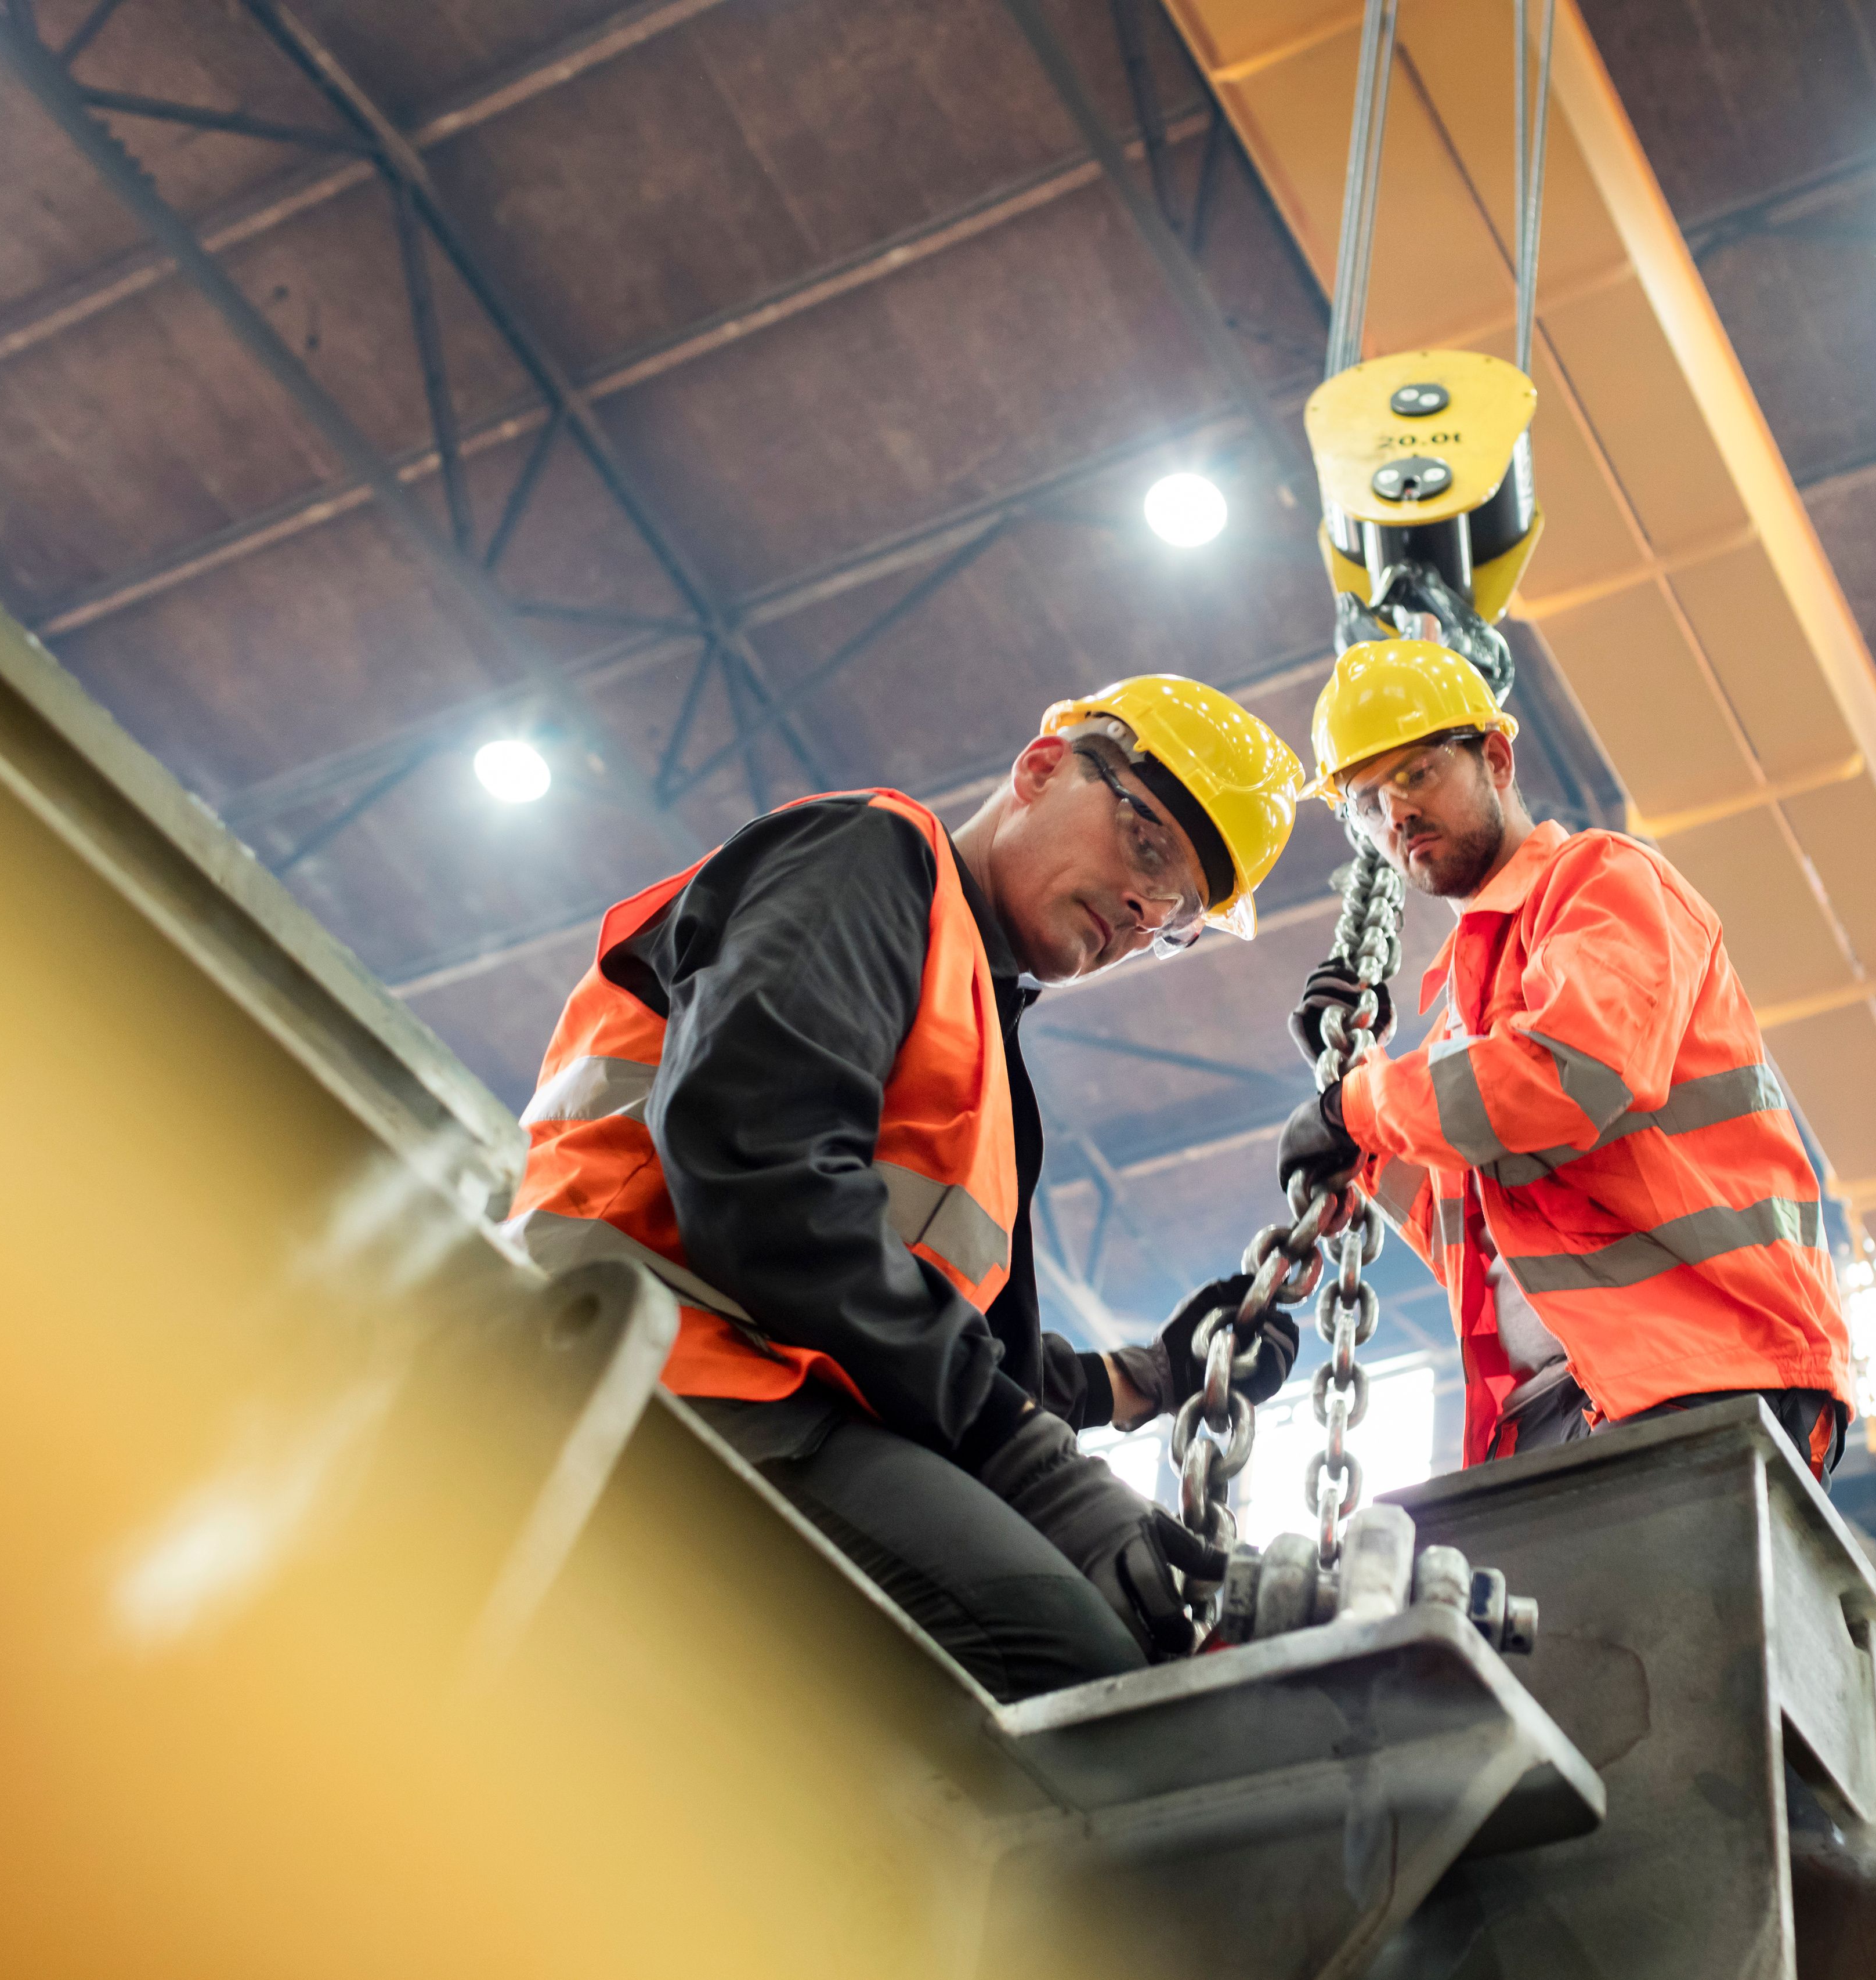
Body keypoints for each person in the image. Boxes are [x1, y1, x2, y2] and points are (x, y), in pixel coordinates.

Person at [502, 676, 1306, 1700]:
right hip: (657, 1360)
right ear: (1041, 768)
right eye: (1149, 846)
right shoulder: (869, 859)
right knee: (1064, 1661)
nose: (1149, 910)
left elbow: (962, 1361)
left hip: (785, 1387)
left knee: (1109, 1661)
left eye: (1181, 914)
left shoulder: (983, 1052)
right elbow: (758, 1162)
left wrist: (1142, 1378)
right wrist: (1035, 1468)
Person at [1271, 639, 1854, 1486]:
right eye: (1365, 802)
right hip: (1569, 1403)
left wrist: (1359, 1109)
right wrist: (1354, 1100)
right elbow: (1467, 1233)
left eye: (1416, 774)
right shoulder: (1462, 1022)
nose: (1393, 814)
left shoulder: (1601, 883)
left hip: (1707, 1371)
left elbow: (1570, 1076)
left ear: (1496, 758)